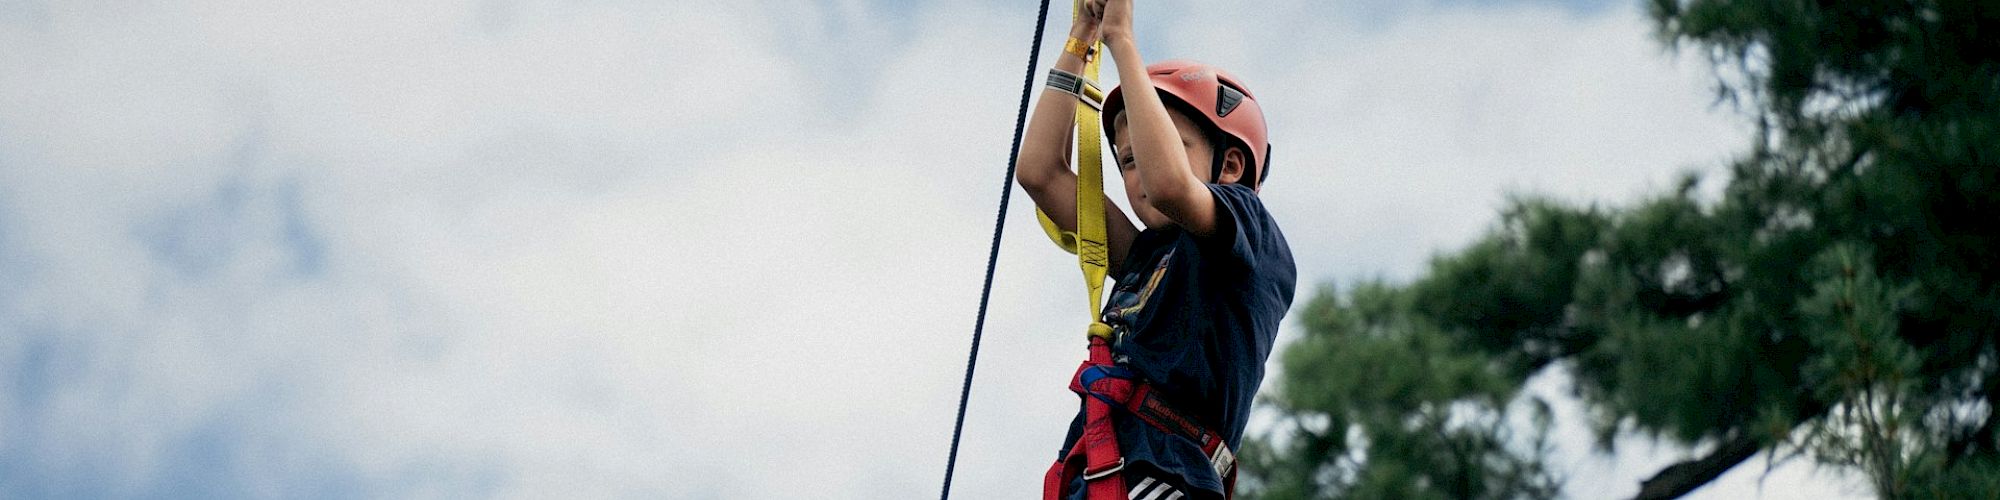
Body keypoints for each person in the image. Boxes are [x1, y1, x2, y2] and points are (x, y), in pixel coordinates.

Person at [1014, 0, 1296, 498]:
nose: (1140, 172)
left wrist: (1122, 41)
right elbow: (1041, 172)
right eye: (1127, 160)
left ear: (1230, 166)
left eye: (1153, 148)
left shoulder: (1251, 232)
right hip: (1104, 477)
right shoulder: (1146, 257)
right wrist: (1083, 38)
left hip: (1168, 476)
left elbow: (1171, 187)